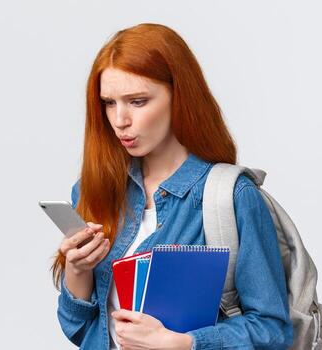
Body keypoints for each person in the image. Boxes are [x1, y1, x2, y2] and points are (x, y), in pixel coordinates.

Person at [52, 23, 293, 350]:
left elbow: (273, 330)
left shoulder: (231, 197)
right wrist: (77, 270)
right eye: (109, 102)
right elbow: (80, 330)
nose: (120, 120)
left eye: (138, 101)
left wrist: (183, 343)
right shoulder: (93, 190)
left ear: (179, 96)